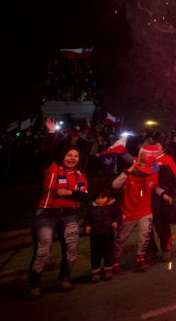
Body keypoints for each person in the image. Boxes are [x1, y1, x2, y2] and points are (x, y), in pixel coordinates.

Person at [28, 117, 89, 299]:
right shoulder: (52, 168)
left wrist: (67, 192)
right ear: (62, 156)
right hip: (46, 215)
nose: (72, 158)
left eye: (75, 156)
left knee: (71, 249)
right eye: (69, 155)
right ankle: (34, 284)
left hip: (69, 215)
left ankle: (64, 279)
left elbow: (84, 195)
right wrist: (51, 133)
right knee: (43, 250)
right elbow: (48, 151)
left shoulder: (80, 175)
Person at [111, 145, 172, 274]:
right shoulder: (130, 173)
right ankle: (115, 262)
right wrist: (128, 171)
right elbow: (115, 185)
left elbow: (154, 187)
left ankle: (140, 258)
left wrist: (163, 194)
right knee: (121, 238)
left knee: (145, 235)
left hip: (145, 210)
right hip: (129, 211)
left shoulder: (153, 173)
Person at [145, 140, 176, 263]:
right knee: (147, 226)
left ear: (163, 148)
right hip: (149, 196)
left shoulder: (167, 159)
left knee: (162, 225)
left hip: (163, 197)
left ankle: (166, 250)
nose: (155, 147)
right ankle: (151, 249)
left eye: (158, 145)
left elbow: (172, 177)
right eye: (153, 146)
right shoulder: (148, 160)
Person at [83, 187, 121, 283]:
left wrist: (116, 222)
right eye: (98, 198)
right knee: (95, 254)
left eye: (102, 198)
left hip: (108, 234)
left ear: (108, 198)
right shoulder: (92, 208)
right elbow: (87, 219)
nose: (100, 200)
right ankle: (96, 272)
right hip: (95, 235)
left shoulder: (112, 207)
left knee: (108, 252)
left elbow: (118, 215)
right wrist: (87, 226)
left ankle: (108, 270)